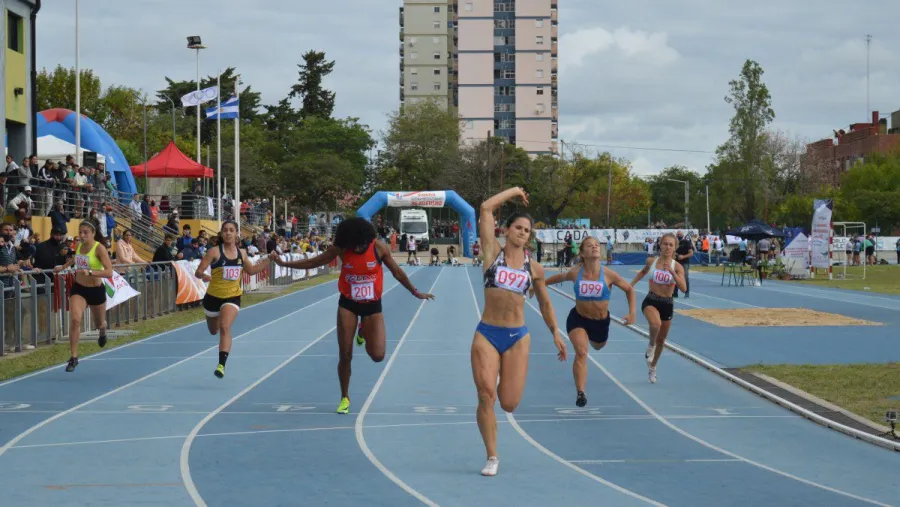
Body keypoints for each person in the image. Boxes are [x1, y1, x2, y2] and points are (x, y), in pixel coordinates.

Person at [269, 217, 434, 414]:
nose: (357, 249)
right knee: (345, 354)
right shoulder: (341, 249)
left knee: (378, 355)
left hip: (372, 305)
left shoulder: (379, 248)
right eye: (353, 246)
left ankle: (363, 328)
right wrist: (283, 263)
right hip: (348, 304)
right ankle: (345, 397)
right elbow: (314, 262)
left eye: (360, 246)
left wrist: (415, 292)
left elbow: (397, 272)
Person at [471, 188, 567, 477]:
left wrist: (556, 333)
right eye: (518, 228)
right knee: (486, 394)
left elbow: (546, 303)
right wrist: (514, 192)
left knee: (509, 403)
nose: (523, 233)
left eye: (527, 231)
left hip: (516, 338)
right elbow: (485, 208)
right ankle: (492, 456)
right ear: (507, 230)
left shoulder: (534, 268)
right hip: (487, 333)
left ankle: (502, 375)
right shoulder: (492, 253)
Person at [545, 236, 637, 407]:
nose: (595, 247)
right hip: (578, 319)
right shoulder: (576, 272)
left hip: (600, 323)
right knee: (581, 352)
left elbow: (629, 290)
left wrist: (632, 313)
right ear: (582, 253)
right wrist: (539, 285)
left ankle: (595, 343)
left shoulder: (608, 274)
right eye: (589, 245)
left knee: (598, 345)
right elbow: (560, 277)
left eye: (596, 245)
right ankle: (581, 392)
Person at [194, 220, 272, 379]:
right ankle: (220, 356)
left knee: (225, 327)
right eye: (225, 230)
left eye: (231, 230)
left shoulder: (242, 253)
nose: (228, 233)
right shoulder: (214, 252)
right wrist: (204, 275)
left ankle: (221, 365)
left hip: (232, 297)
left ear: (237, 234)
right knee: (213, 330)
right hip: (212, 298)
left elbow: (251, 271)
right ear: (222, 234)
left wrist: (269, 259)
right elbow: (198, 272)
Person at [52, 221, 114, 372]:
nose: (82, 235)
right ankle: (74, 357)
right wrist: (63, 267)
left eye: (85, 232)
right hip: (79, 289)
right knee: (75, 319)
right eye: (80, 232)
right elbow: (75, 259)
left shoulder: (99, 248)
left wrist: (91, 272)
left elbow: (109, 272)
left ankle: (103, 331)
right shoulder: (79, 245)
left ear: (93, 233)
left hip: (95, 290)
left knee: (100, 323)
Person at [629, 233, 687, 384]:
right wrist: (630, 285)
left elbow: (683, 288)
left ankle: (653, 367)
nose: (667, 247)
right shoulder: (651, 261)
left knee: (662, 340)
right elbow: (642, 272)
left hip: (667, 303)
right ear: (660, 245)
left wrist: (672, 272)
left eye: (671, 245)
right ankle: (650, 344)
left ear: (675, 248)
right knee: (655, 325)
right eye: (665, 244)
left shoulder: (677, 266)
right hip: (651, 300)